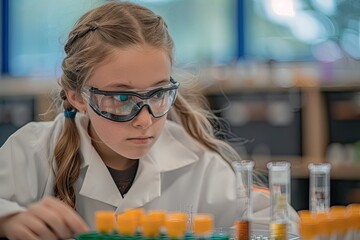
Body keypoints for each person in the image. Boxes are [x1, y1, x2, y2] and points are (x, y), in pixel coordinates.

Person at [0, 1, 299, 239]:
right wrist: (7, 219)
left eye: (157, 95)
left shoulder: (195, 161)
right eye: (120, 99)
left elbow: (282, 224)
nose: (145, 120)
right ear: (77, 97)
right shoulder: (31, 151)